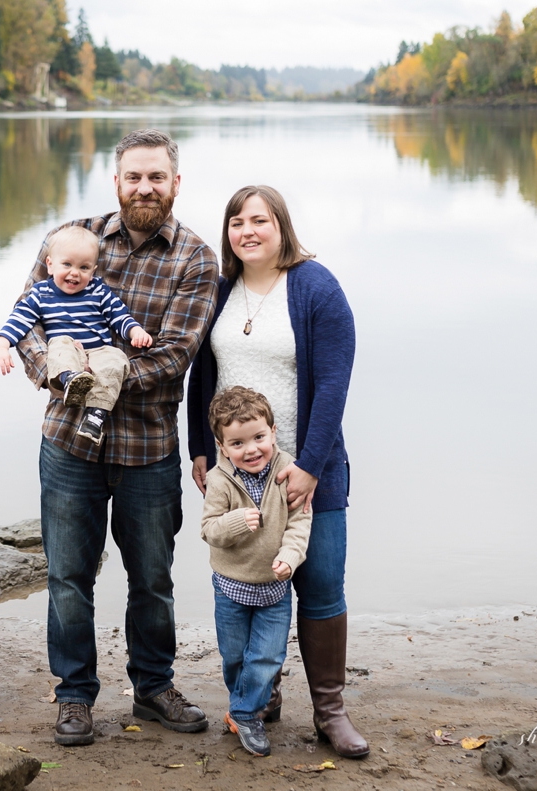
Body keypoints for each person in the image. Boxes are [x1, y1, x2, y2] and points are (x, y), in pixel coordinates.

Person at [10, 129, 220, 746]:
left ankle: (154, 688)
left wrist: (102, 377)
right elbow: (28, 324)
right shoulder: (71, 239)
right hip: (68, 445)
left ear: (175, 183)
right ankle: (74, 696)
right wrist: (58, 375)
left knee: (152, 579)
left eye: (157, 177)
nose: (145, 188)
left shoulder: (195, 259)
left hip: (148, 450)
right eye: (134, 177)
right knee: (67, 577)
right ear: (117, 181)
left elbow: (176, 356)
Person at [185, 184, 369, 758]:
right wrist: (200, 449)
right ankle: (260, 697)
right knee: (249, 583)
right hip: (239, 471)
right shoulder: (221, 290)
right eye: (237, 222)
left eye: (259, 220)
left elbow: (334, 383)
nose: (248, 231)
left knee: (320, 587)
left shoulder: (315, 287)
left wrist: (309, 465)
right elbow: (202, 377)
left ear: (281, 226)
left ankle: (330, 712)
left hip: (308, 467)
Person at [200, 386, 312, 758]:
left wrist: (291, 556)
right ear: (221, 447)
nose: (251, 450)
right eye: (238, 443)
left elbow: (300, 522)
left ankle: (245, 713)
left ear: (273, 432)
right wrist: (236, 522)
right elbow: (209, 530)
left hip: (274, 588)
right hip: (230, 588)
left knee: (267, 657)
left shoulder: (287, 469)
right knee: (235, 656)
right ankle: (244, 706)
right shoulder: (219, 480)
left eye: (259, 438)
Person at [0, 225, 154, 445]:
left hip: (98, 352)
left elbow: (118, 315)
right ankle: (70, 379)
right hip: (67, 351)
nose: (75, 272)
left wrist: (135, 331)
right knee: (59, 345)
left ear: (93, 271)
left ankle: (95, 417)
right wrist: (2, 345)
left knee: (116, 359)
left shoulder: (98, 290)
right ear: (50, 265)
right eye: (67, 264)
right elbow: (20, 319)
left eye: (84, 267)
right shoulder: (41, 293)